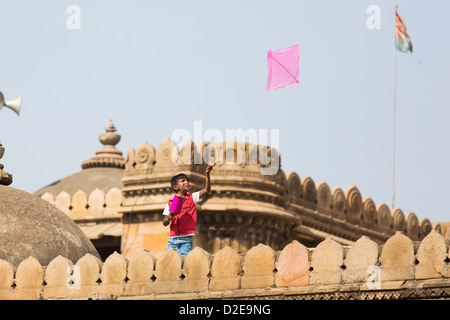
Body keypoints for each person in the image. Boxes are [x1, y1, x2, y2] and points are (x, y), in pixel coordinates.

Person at [162, 162, 216, 256]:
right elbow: (165, 223)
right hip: (172, 240)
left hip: (185, 240)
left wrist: (207, 173)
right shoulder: (170, 202)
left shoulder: (192, 198)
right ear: (175, 187)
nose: (186, 182)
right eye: (182, 181)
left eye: (187, 181)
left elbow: (207, 190)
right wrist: (171, 215)